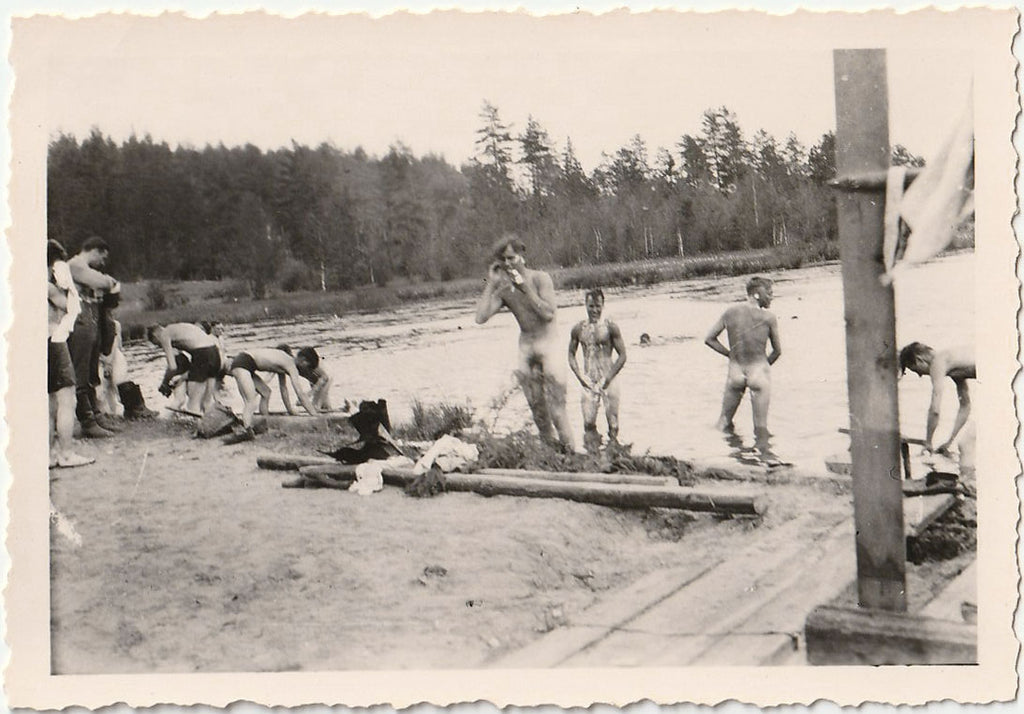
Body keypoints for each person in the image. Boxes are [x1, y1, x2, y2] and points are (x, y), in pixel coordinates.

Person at [475, 235, 574, 450]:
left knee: (558, 411)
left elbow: (548, 314)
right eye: (503, 260)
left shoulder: (540, 279)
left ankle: (573, 454)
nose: (508, 264)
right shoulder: (505, 290)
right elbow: (480, 318)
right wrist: (491, 284)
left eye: (511, 258)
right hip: (527, 349)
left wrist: (525, 289)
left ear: (522, 256)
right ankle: (552, 458)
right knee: (539, 414)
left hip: (549, 347)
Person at [704, 276, 782, 441]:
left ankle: (725, 452)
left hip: (735, 373)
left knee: (723, 422)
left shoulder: (730, 312)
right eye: (769, 293)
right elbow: (777, 351)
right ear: (757, 294)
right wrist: (763, 366)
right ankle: (763, 454)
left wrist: (730, 354)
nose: (772, 297)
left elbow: (709, 339)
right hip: (758, 373)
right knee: (761, 428)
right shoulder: (769, 317)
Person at [66, 236, 120, 437]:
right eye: (102, 258)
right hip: (80, 320)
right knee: (81, 371)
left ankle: (96, 415)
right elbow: (103, 282)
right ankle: (87, 421)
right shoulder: (75, 265)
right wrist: (109, 281)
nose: (102, 263)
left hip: (91, 318)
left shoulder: (84, 268)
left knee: (91, 372)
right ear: (96, 250)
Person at [48, 240, 94, 467]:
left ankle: (48, 454)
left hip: (40, 343)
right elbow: (71, 307)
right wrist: (68, 286)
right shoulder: (48, 287)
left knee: (49, 401)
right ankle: (66, 454)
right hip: (54, 341)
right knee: (67, 399)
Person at [568, 288, 627, 452]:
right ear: (585, 306)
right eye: (591, 306)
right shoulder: (579, 329)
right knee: (588, 424)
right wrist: (580, 377)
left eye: (598, 306)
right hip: (589, 381)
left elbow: (622, 355)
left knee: (613, 423)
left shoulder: (610, 327)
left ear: (603, 306)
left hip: (609, 379)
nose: (594, 310)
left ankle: (613, 453)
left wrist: (608, 378)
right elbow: (571, 354)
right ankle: (593, 454)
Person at [227, 344, 320, 441]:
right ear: (303, 360)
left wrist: (290, 410)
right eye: (308, 366)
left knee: (266, 393)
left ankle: (265, 420)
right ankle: (246, 431)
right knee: (250, 401)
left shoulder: (285, 361)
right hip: (242, 364)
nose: (306, 369)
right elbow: (300, 393)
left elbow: (283, 389)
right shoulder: (291, 366)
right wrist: (314, 414)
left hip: (246, 364)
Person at [899, 342, 975, 455]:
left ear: (919, 360)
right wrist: (949, 443)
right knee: (965, 445)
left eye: (915, 370)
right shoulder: (951, 363)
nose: (919, 375)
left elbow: (935, 410)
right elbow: (965, 406)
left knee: (966, 446)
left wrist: (928, 442)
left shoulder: (937, 362)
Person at [147, 322, 223, 415]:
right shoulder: (176, 328)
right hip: (215, 353)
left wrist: (165, 383)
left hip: (202, 354)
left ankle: (194, 422)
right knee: (207, 402)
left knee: (193, 404)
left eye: (157, 344)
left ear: (155, 336)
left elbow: (172, 367)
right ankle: (212, 421)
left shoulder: (164, 334)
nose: (159, 346)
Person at [296, 347, 333, 412]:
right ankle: (338, 410)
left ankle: (326, 411)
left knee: (316, 405)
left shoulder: (313, 364)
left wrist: (309, 394)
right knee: (323, 404)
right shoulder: (297, 363)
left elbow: (325, 377)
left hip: (325, 378)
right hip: (315, 379)